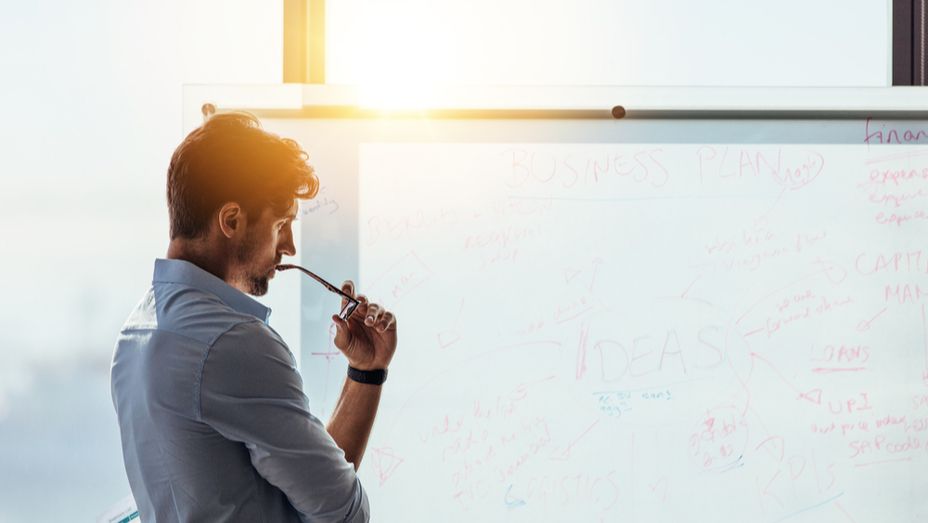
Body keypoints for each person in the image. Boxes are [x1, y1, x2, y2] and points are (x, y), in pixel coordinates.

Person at [110, 112, 396, 522]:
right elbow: (342, 512)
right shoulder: (233, 343)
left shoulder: (137, 332)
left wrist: (365, 372)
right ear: (231, 220)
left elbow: (310, 486)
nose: (291, 247)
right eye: (281, 224)